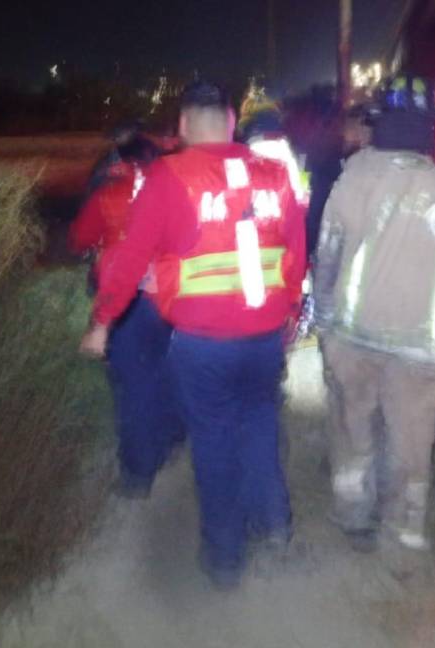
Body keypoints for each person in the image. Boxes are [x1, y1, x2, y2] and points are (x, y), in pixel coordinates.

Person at [80, 81, 307, 590]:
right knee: (259, 425)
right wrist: (290, 314)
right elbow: (295, 254)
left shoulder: (167, 176)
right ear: (231, 120)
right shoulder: (274, 175)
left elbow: (129, 258)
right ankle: (274, 528)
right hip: (265, 338)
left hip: (203, 344)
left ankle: (225, 558)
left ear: (183, 126)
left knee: (213, 438)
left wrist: (102, 323)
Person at [313, 74, 435, 565]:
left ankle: (354, 516)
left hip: (355, 343)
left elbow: (328, 260)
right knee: (410, 451)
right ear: (430, 130)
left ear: (379, 124)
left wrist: (324, 322)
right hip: (426, 356)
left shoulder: (352, 180)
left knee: (354, 433)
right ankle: (402, 548)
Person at [70, 135, 182, 498]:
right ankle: (169, 442)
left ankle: (137, 473)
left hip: (124, 302)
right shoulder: (172, 191)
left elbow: (79, 239)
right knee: (165, 373)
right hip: (167, 299)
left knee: (131, 389)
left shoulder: (108, 193)